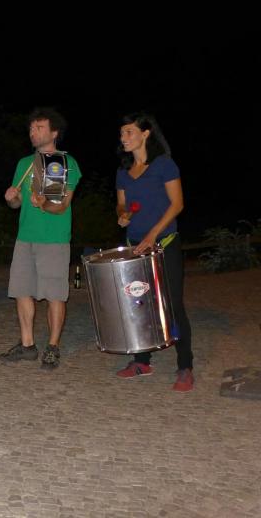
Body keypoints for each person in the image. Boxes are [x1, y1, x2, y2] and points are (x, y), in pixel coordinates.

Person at [114, 112, 194, 392]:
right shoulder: (123, 170)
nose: (123, 138)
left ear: (145, 133)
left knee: (173, 304)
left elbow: (177, 204)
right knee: (140, 304)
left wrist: (152, 234)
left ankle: (185, 366)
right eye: (122, 133)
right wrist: (123, 215)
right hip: (136, 245)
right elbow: (121, 204)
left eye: (129, 132)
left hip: (165, 243)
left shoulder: (164, 165)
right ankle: (142, 361)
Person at [0, 108, 81, 370]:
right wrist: (12, 198)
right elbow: (17, 204)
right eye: (31, 128)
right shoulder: (25, 164)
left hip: (53, 238)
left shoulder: (62, 163)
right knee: (22, 290)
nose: (33, 132)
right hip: (25, 237)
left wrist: (43, 204)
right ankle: (27, 345)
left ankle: (53, 347)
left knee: (55, 295)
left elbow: (61, 206)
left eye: (39, 128)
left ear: (54, 132)